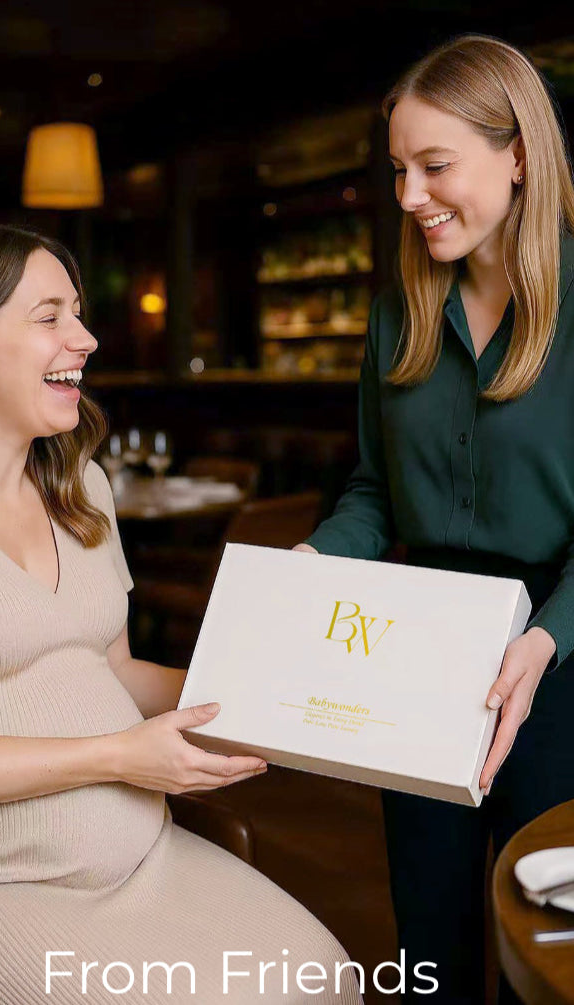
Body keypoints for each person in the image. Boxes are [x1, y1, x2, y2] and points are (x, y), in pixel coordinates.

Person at [0, 222, 362, 1005]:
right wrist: (118, 756)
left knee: (326, 975)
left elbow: (116, 671)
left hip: (145, 855)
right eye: (48, 317)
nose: (83, 337)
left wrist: (257, 699)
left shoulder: (83, 492)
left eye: (78, 313)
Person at [295, 33, 574, 1005]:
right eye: (399, 171)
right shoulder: (391, 316)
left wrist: (543, 641)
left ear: (517, 155)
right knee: (427, 940)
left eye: (433, 166)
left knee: (547, 937)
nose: (408, 195)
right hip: (417, 649)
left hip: (561, 652)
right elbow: (373, 496)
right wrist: (310, 563)